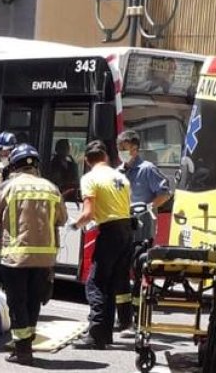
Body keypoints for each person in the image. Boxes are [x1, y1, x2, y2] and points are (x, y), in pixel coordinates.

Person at [0, 144, 66, 365]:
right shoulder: (51, 188)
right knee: (33, 302)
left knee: (17, 303)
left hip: (15, 258)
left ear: (14, 166)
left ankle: (23, 351)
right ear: (36, 165)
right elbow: (62, 219)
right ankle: (27, 345)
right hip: (44, 258)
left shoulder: (8, 187)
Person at [71, 142, 133, 349]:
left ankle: (96, 333)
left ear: (87, 161)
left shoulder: (90, 178)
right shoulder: (121, 177)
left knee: (95, 284)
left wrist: (75, 225)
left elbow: (88, 213)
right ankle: (105, 335)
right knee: (111, 284)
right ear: (106, 157)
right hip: (126, 232)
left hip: (110, 233)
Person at [116, 130, 172, 330]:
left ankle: (137, 317)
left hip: (141, 231)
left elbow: (165, 193)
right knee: (120, 275)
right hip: (120, 230)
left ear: (135, 148)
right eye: (119, 148)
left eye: (124, 148)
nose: (121, 152)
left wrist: (148, 207)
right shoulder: (118, 172)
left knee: (139, 274)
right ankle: (123, 318)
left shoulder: (147, 169)